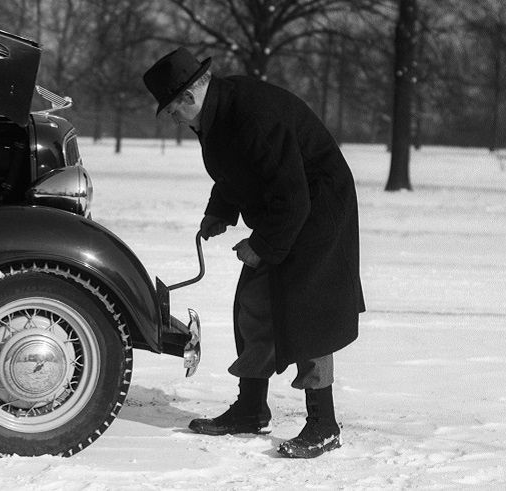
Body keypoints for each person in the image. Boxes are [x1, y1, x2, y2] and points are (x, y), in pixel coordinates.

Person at [142, 48, 364, 459]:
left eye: (172, 111)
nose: (174, 120)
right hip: (288, 205)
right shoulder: (218, 116)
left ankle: (323, 422)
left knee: (305, 307)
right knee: (255, 302)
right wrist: (219, 211)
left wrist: (262, 246)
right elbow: (236, 169)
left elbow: (292, 195)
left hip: (317, 207)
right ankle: (250, 409)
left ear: (189, 98)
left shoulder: (252, 116)